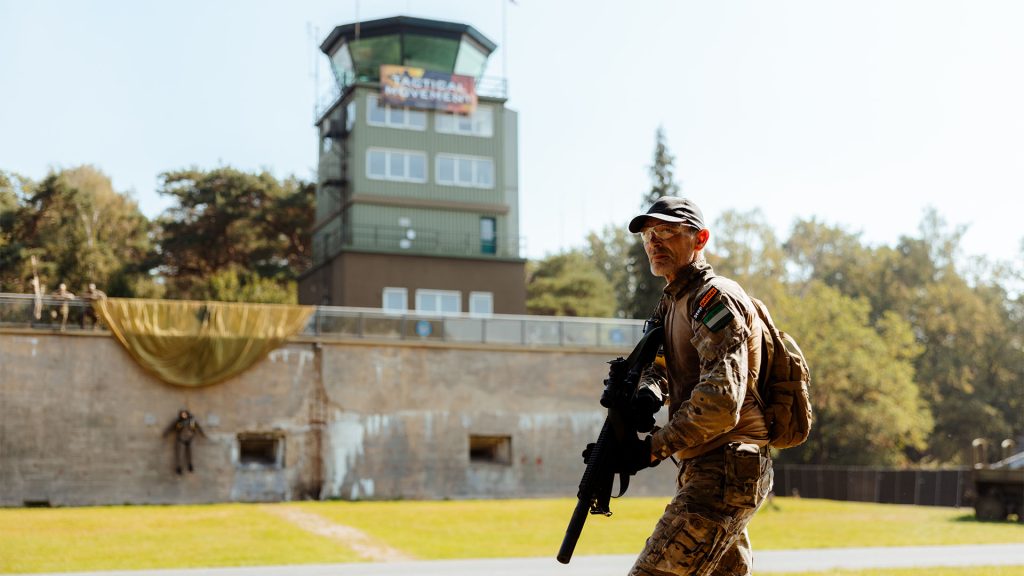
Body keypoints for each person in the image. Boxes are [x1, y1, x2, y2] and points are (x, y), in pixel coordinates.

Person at [623, 196, 773, 576]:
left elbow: (721, 401)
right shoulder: (673, 302)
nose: (655, 243)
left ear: (699, 239)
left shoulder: (712, 300)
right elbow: (661, 364)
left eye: (668, 233)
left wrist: (652, 450)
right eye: (649, 235)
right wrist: (649, 393)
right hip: (708, 467)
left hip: (725, 469)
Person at [163, 409, 207, 475]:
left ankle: (190, 465)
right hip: (180, 439)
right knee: (179, 454)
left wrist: (203, 434)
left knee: (190, 453)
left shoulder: (192, 421)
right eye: (182, 414)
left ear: (187, 414)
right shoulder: (178, 421)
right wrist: (165, 433)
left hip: (190, 438)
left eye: (185, 414)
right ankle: (179, 467)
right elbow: (170, 427)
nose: (184, 415)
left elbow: (198, 427)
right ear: (180, 415)